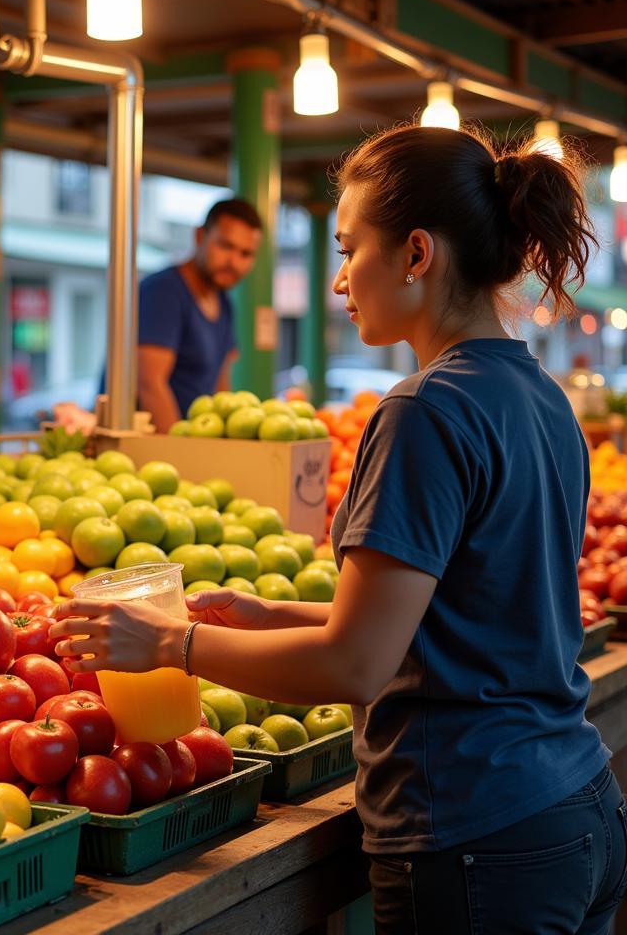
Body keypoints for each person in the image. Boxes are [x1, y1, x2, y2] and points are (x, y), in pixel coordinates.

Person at [53, 125, 627, 933]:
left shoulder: (425, 410)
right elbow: (466, 616)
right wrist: (274, 616)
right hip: (576, 806)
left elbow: (356, 664)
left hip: (475, 835)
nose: (336, 282)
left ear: (416, 254)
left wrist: (168, 646)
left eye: (348, 249)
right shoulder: (542, 399)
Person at [137, 197, 262, 431]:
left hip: (195, 444)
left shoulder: (224, 304)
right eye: (225, 246)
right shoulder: (163, 292)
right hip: (151, 452)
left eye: (245, 254)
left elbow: (221, 388)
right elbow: (149, 384)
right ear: (199, 236)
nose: (233, 262)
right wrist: (179, 454)